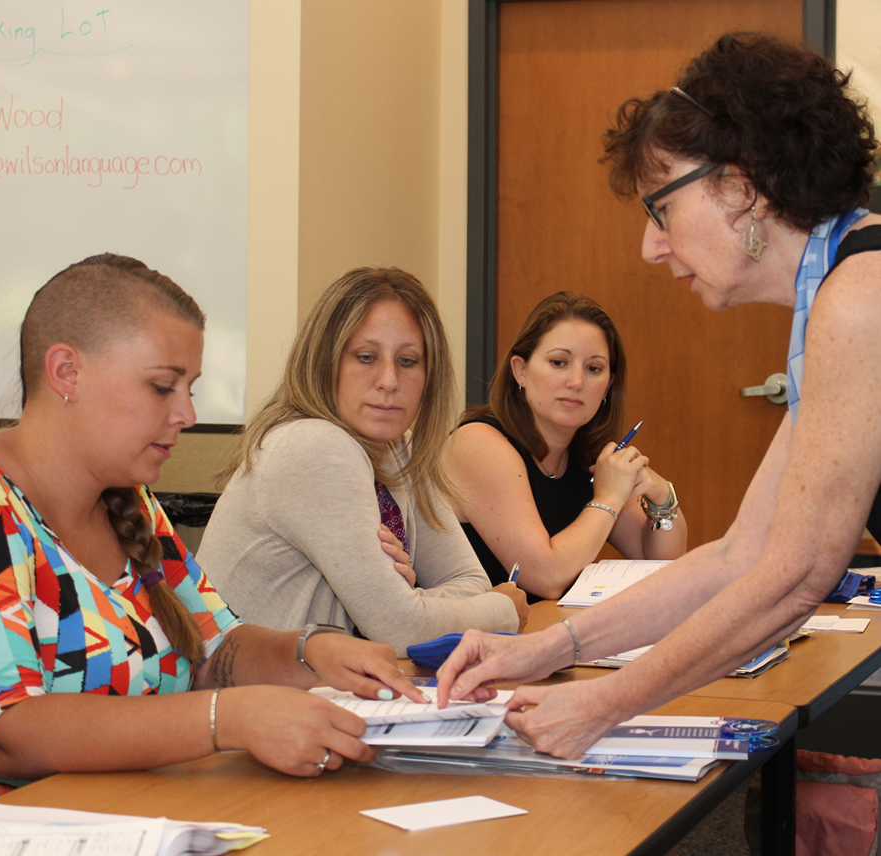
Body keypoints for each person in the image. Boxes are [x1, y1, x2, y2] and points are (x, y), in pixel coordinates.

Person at [435, 32, 881, 759]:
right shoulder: (839, 290)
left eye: (660, 208)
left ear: (741, 188)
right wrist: (546, 653)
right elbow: (743, 556)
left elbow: (792, 580)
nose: (651, 246)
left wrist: (606, 703)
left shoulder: (861, 296)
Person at [0, 253, 427, 798]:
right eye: (162, 387)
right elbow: (9, 730)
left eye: (190, 389)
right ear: (66, 373)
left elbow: (215, 649)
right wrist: (225, 720)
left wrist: (311, 651)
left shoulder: (130, 502)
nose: (187, 415)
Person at [198, 267, 527, 657]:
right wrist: (504, 608)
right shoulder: (313, 446)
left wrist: (415, 601)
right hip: (248, 704)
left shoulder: (397, 446)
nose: (389, 380)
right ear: (325, 362)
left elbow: (467, 580)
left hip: (324, 692)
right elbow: (402, 629)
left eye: (408, 361)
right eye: (366, 357)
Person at [445, 291, 687, 601]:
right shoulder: (478, 443)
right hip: (461, 640)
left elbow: (662, 564)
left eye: (593, 369)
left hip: (541, 634)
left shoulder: (586, 456)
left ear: (607, 387)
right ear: (520, 370)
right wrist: (610, 497)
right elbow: (544, 577)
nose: (576, 381)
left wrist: (661, 494)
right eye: (559, 362)